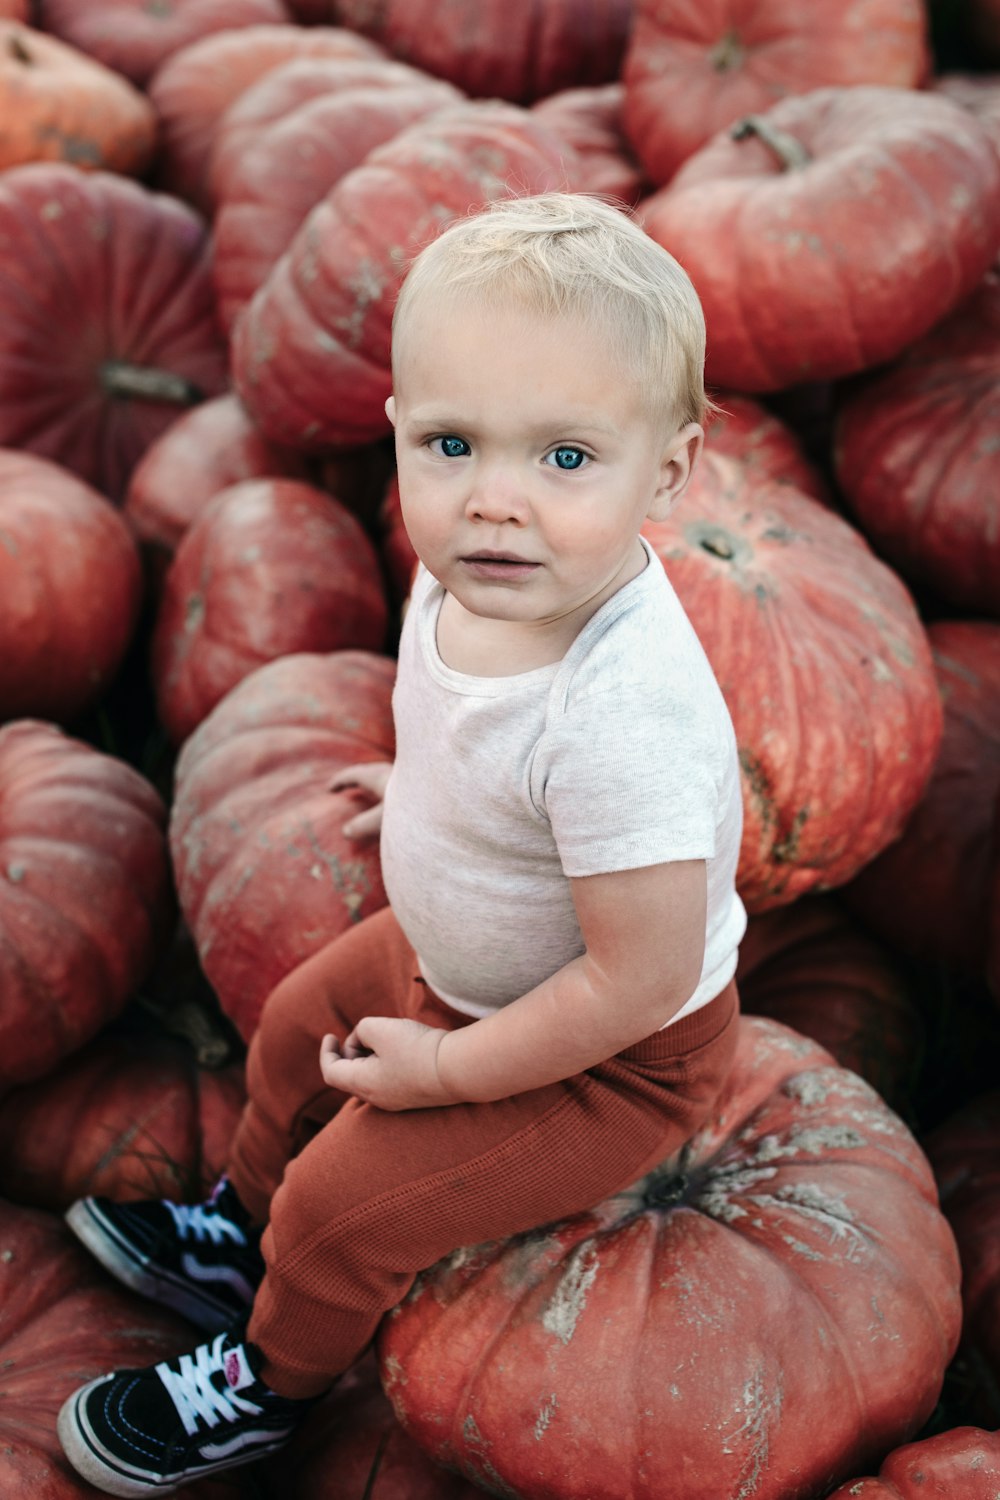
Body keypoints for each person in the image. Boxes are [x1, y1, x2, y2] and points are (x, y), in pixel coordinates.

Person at [57, 191, 747, 1496]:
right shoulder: (480, 565)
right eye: (450, 443)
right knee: (289, 1035)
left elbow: (639, 981)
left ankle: (269, 1380)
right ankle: (232, 1230)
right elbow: (471, 721)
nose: (495, 499)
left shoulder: (624, 722)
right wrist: (432, 790)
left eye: (564, 459)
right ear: (398, 435)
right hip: (464, 961)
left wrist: (452, 1071)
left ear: (668, 473)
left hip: (607, 1060)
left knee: (344, 1211)